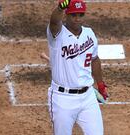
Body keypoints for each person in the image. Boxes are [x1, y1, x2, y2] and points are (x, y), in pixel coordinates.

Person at [46, 0, 108, 134]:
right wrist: (60, 8)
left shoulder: (89, 34)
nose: (77, 19)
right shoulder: (57, 34)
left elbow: (95, 59)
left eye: (80, 15)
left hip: (87, 97)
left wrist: (100, 84)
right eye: (73, 15)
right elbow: (54, 22)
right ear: (66, 15)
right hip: (62, 99)